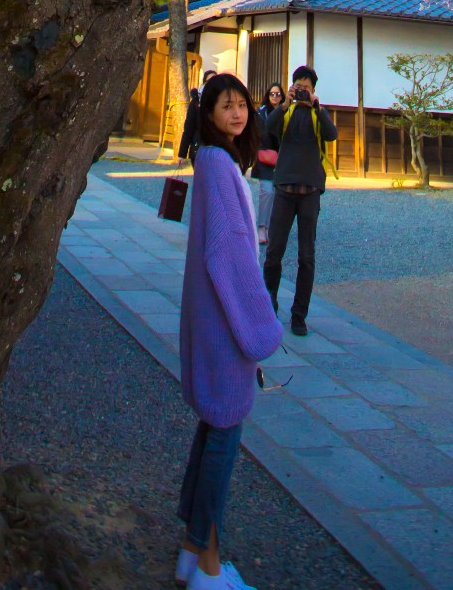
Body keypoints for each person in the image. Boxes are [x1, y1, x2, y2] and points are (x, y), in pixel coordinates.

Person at [176, 73, 282, 590]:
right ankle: (209, 569)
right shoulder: (218, 165)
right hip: (225, 318)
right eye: (226, 105)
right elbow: (231, 251)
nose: (237, 113)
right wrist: (259, 326)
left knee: (215, 427)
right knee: (224, 434)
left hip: (215, 314)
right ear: (209, 114)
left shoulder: (215, 161)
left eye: (242, 104)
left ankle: (193, 550)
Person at [262, 65, 337, 337]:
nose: (303, 91)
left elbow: (331, 135)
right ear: (292, 87)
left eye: (307, 88)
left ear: (314, 90)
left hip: (310, 191)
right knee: (273, 253)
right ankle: (268, 303)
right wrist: (285, 103)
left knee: (307, 256)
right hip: (284, 187)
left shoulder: (319, 113)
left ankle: (299, 315)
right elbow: (267, 129)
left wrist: (317, 108)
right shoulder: (286, 112)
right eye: (298, 87)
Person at [251, 83, 285, 248]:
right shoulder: (261, 113)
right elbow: (256, 134)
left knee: (278, 194)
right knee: (267, 191)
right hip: (265, 157)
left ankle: (270, 228)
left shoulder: (287, 113)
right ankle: (261, 227)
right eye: (272, 94)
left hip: (283, 159)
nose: (275, 97)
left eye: (278, 94)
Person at [178, 71, 215, 162]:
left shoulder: (222, 102)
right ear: (204, 82)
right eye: (209, 81)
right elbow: (188, 128)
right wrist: (182, 154)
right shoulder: (196, 103)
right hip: (199, 147)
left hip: (216, 150)